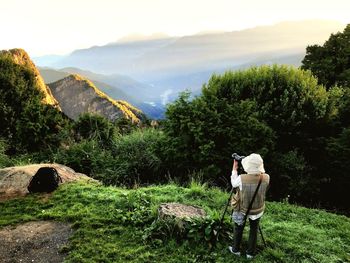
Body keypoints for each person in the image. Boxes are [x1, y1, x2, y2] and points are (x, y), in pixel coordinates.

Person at [228, 153, 270, 259]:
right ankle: (250, 253)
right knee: (254, 229)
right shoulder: (266, 177)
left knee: (238, 227)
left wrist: (235, 167)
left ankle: (235, 250)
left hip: (243, 209)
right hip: (258, 209)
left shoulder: (242, 178)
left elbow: (233, 184)